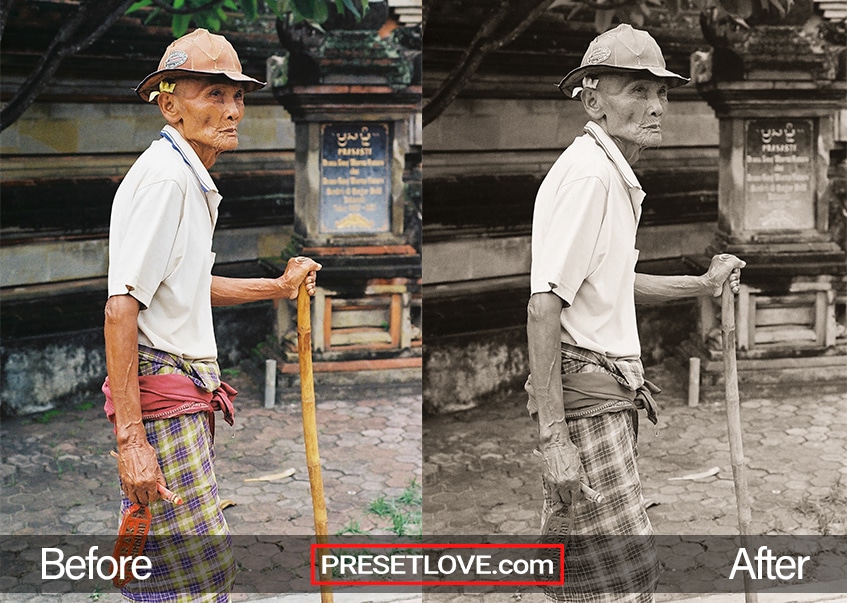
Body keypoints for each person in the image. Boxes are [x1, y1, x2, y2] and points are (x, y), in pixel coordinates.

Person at [526, 24, 745, 602]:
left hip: (606, 394)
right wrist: (555, 440)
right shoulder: (591, 177)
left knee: (589, 578)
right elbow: (544, 305)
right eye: (636, 90)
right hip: (588, 401)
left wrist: (703, 283)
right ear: (592, 99)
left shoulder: (610, 172)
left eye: (661, 92)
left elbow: (613, 284)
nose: (655, 105)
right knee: (622, 581)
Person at [102, 28, 321, 601]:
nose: (232, 110)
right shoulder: (168, 180)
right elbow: (121, 308)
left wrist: (276, 286)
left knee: (167, 566)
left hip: (181, 391)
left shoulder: (187, 174)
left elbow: (189, 286)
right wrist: (132, 442)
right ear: (168, 103)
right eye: (212, 94)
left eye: (238, 96)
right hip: (164, 395)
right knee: (198, 578)